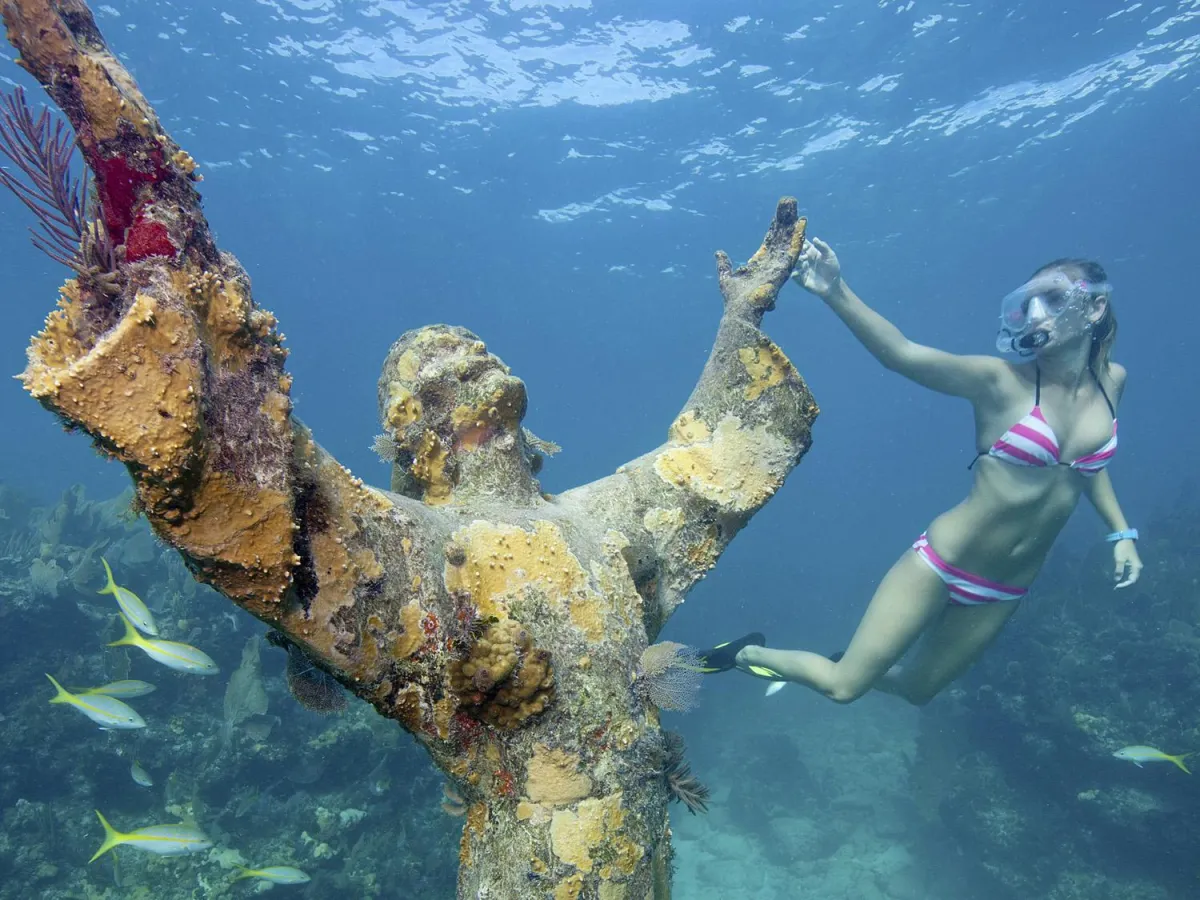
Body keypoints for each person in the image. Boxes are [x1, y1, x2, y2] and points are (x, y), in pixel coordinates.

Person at [699, 237, 1143, 706]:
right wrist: (835, 290)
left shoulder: (1113, 381)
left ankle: (855, 659)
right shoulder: (1000, 382)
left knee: (917, 689)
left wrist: (1122, 534)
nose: (1034, 315)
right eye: (1027, 304)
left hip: (1006, 585)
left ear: (1095, 308)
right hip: (943, 563)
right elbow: (902, 354)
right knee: (844, 687)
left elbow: (1086, 467)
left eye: (1051, 300)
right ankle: (743, 654)